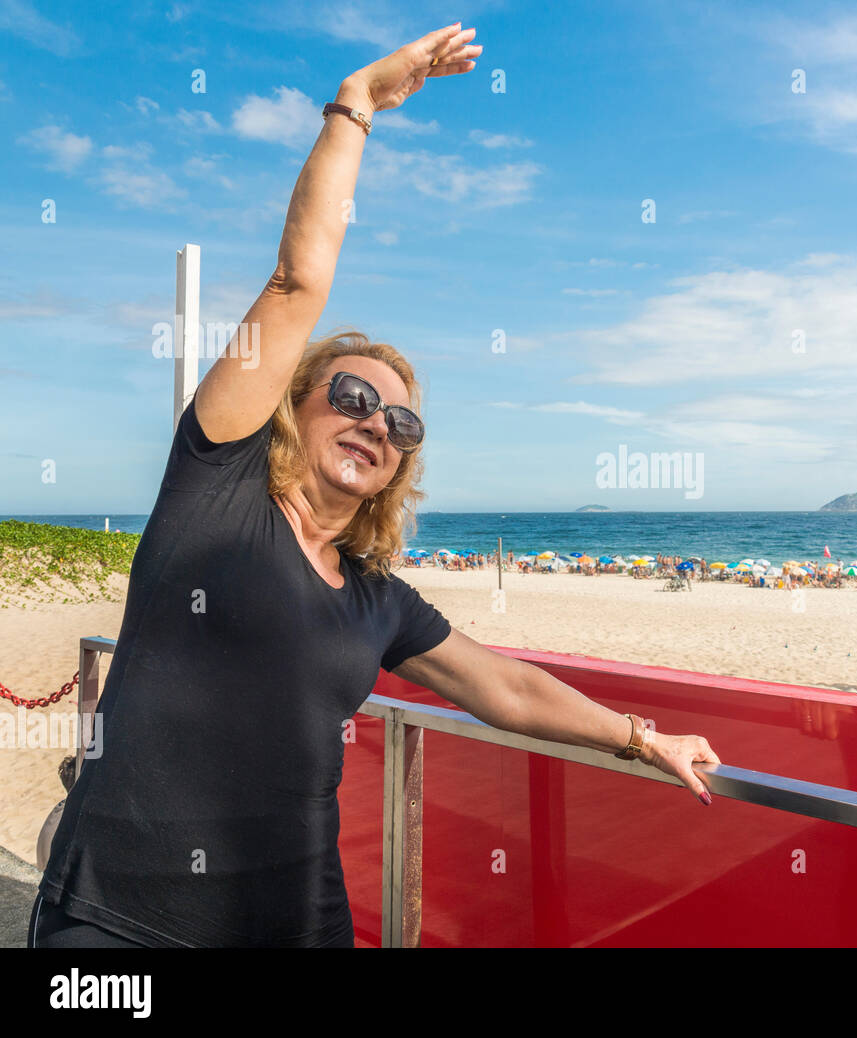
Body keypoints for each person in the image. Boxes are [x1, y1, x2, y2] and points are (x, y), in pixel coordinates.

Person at [29, 28, 719, 951]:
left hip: (294, 918)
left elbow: (505, 687)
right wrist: (355, 106)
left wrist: (644, 738)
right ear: (290, 405)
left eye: (401, 422)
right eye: (352, 397)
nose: (375, 424)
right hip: (121, 919)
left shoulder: (376, 600)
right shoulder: (217, 483)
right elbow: (295, 282)